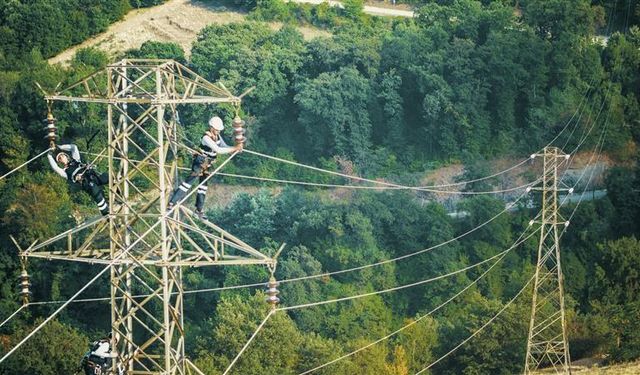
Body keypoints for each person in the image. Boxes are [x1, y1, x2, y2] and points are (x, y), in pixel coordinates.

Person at [167, 116, 241, 219]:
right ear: (211, 127)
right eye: (217, 129)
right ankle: (172, 202)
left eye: (219, 130)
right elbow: (218, 150)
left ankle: (199, 209)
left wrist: (235, 149)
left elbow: (224, 146)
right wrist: (234, 148)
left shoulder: (218, 137)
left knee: (203, 187)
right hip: (200, 162)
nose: (218, 132)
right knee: (188, 183)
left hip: (208, 164)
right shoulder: (206, 138)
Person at [47, 144, 109, 216]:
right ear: (59, 162)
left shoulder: (76, 160)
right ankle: (105, 212)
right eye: (59, 159)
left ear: (66, 156)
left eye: (62, 156)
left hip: (93, 176)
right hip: (86, 183)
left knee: (107, 176)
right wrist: (49, 155)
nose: (62, 158)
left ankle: (118, 186)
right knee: (95, 191)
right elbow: (55, 167)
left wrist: (60, 147)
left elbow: (74, 147)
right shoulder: (64, 172)